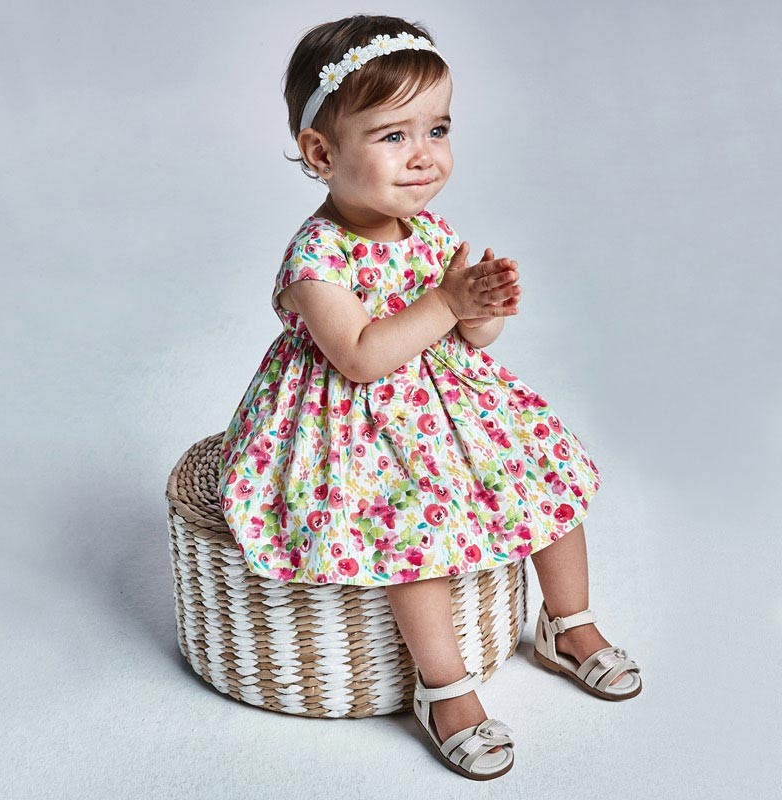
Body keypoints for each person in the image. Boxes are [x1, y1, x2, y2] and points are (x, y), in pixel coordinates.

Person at [217, 13, 642, 781]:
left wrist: (480, 309)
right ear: (321, 153)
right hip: (350, 422)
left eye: (438, 129)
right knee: (410, 529)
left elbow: (473, 343)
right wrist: (445, 302)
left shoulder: (427, 229)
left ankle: (568, 623)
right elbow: (360, 357)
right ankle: (445, 688)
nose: (424, 155)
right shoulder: (316, 257)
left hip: (447, 405)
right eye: (393, 136)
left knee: (545, 475)